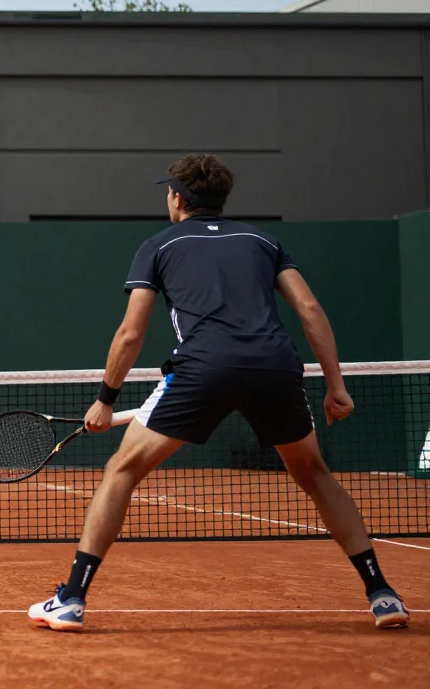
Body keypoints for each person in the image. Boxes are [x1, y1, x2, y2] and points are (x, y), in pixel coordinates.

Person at [28, 153, 410, 632]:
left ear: (177, 198)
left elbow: (130, 333)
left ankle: (71, 599)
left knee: (122, 470)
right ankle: (382, 594)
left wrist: (105, 398)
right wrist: (337, 388)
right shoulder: (263, 241)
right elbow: (310, 309)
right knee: (315, 474)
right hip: (275, 366)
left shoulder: (158, 245)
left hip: (203, 368)